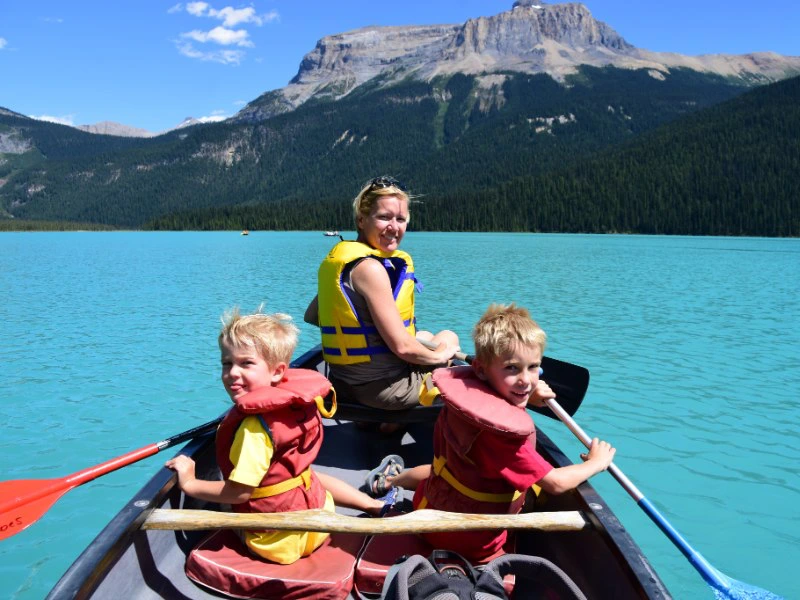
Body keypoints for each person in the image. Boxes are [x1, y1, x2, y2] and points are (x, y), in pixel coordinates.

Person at [365, 303, 616, 563]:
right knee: (530, 489)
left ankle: (389, 481)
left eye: (533, 368)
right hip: (471, 543)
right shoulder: (504, 436)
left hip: (428, 508)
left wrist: (526, 396)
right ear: (482, 370)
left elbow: (493, 398)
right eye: (512, 368)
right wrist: (597, 463)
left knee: (441, 471)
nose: (526, 380)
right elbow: (556, 483)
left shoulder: (460, 396)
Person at [165, 308, 395, 565]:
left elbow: (238, 493)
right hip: (319, 521)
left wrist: (189, 483)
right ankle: (374, 506)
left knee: (226, 503)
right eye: (226, 363)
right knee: (304, 476)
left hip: (277, 543)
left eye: (246, 363)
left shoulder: (254, 429)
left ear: (277, 372)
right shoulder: (296, 403)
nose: (232, 373)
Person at [304, 176, 460, 422]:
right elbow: (403, 347)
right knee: (448, 338)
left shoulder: (342, 262)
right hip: (383, 391)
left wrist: (368, 331)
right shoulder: (370, 269)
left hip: (342, 383)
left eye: (400, 219)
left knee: (427, 336)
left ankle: (385, 425)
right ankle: (392, 423)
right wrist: (442, 357)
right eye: (384, 217)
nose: (394, 227)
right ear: (361, 220)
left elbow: (312, 316)